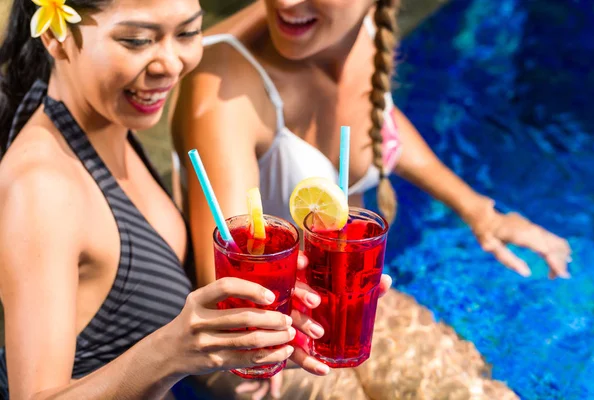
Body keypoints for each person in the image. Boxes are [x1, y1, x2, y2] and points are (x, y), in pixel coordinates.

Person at [171, 0, 572, 398]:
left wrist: (476, 208)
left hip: (349, 299)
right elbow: (224, 279)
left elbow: (381, 122)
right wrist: (271, 330)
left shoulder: (355, 35)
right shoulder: (225, 85)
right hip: (260, 332)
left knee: (476, 392)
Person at [0, 0, 351, 397]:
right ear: (54, 36)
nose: (170, 64)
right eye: (136, 40)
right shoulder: (42, 188)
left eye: (187, 32)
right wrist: (173, 352)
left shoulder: (105, 122)